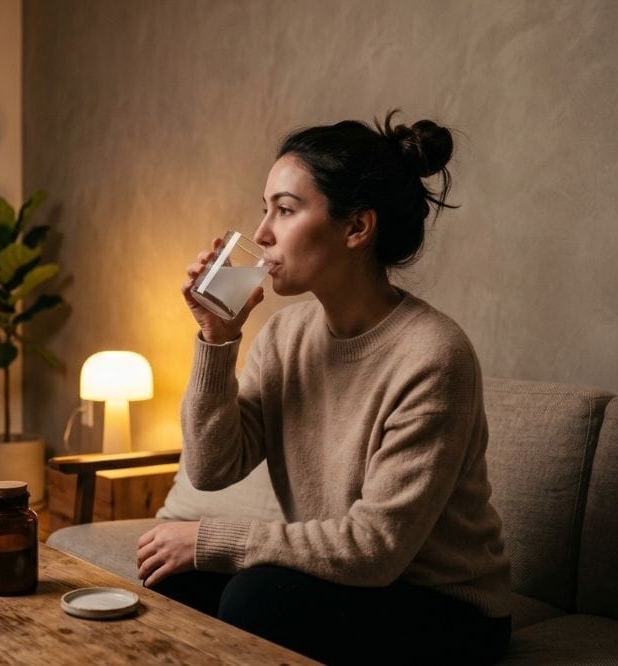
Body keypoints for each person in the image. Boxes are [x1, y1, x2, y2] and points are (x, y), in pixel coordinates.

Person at [135, 111, 511, 664]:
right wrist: (217, 340)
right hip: (349, 584)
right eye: (265, 209)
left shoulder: (433, 356)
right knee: (171, 580)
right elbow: (212, 469)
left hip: (443, 606)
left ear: (357, 228)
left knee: (255, 599)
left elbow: (375, 550)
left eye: (285, 210)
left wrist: (213, 540)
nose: (261, 233)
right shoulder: (286, 336)